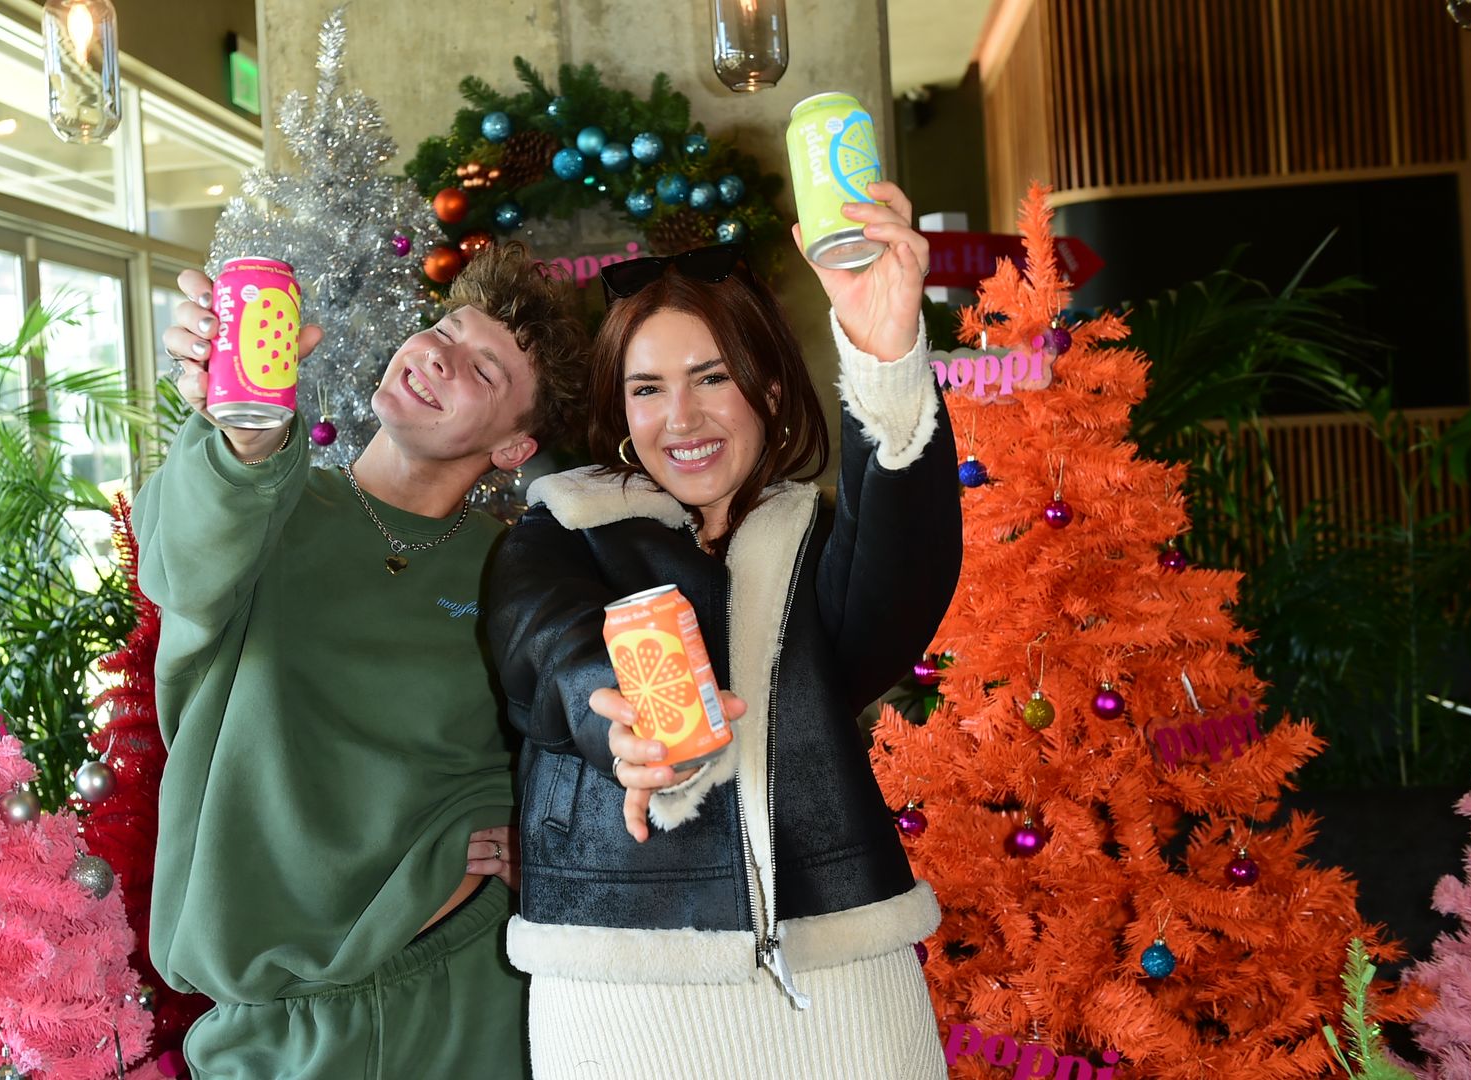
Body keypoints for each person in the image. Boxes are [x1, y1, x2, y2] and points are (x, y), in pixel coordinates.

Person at [483, 183, 962, 1078]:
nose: (682, 419)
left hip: (841, 974)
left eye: (712, 378)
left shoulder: (817, 541)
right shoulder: (563, 530)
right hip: (620, 991)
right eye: (648, 388)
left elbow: (901, 588)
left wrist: (889, 352)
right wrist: (617, 718)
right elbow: (546, 647)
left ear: (769, 390)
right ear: (621, 412)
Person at [136, 239, 587, 1080]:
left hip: (472, 995)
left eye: (483, 372)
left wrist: (549, 844)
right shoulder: (266, 497)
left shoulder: (519, 564)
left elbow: (576, 736)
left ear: (514, 450)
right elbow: (183, 568)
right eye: (444, 330)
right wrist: (243, 431)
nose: (437, 357)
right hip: (275, 1030)